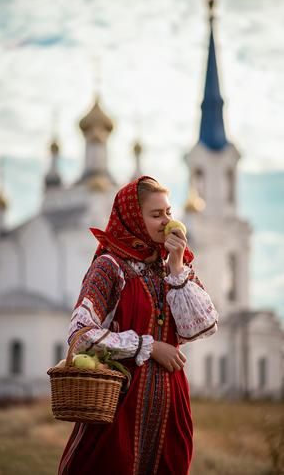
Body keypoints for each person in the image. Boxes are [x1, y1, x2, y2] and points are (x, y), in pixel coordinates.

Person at [58, 175, 218, 475]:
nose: (166, 221)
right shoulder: (110, 267)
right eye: (156, 215)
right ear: (133, 218)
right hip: (119, 403)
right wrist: (149, 346)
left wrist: (176, 267)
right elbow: (80, 335)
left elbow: (203, 325)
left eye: (168, 213)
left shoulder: (173, 267)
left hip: (171, 404)